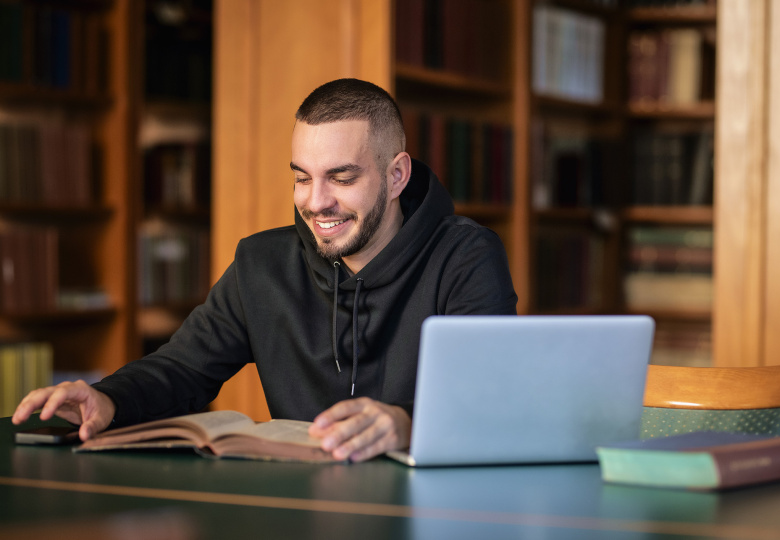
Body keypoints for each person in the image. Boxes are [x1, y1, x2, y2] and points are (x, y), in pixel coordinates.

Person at [12, 78, 518, 462]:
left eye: (341, 178)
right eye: (302, 178)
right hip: (300, 506)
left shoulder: (466, 256)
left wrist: (406, 424)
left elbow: (496, 399)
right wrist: (107, 398)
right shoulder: (261, 264)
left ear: (396, 175)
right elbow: (184, 368)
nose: (317, 203)